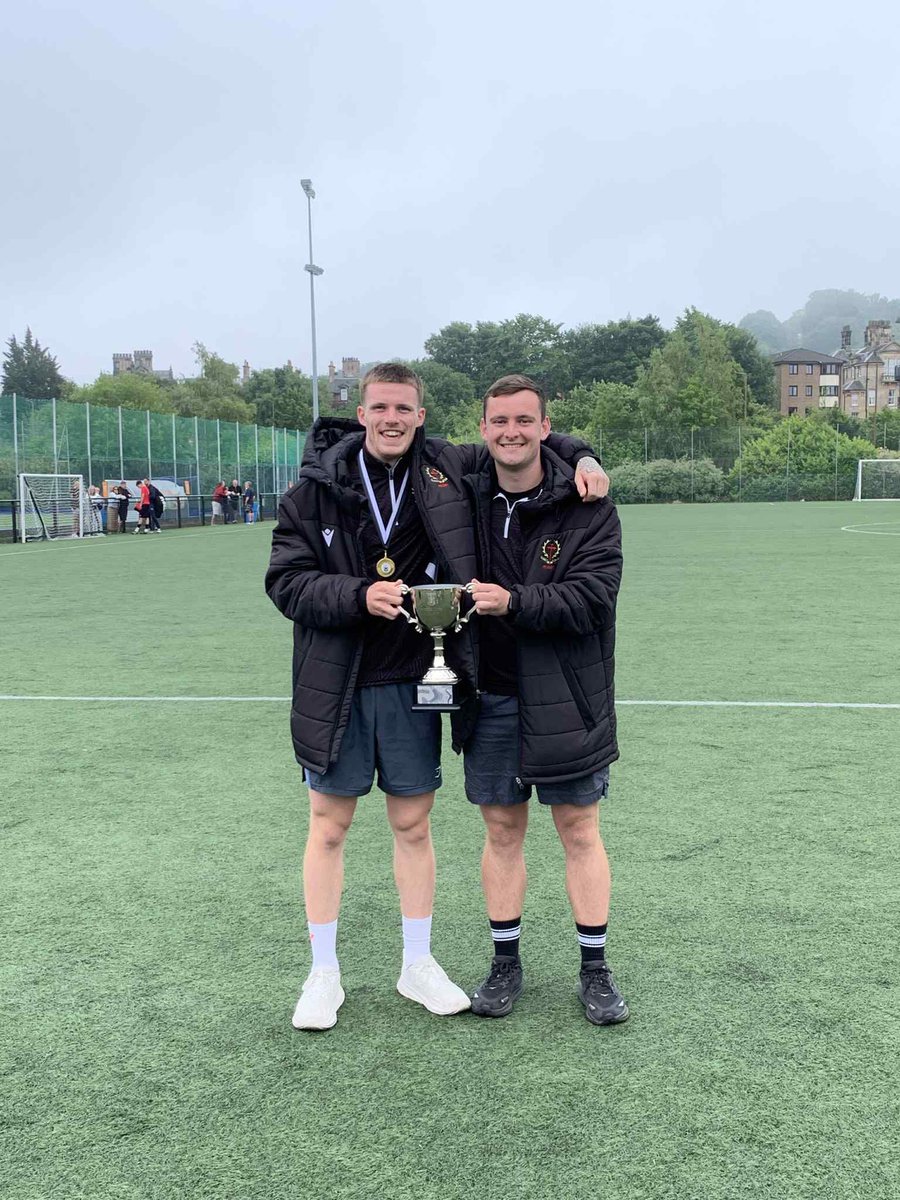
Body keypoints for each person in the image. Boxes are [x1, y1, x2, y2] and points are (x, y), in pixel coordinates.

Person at [265, 362, 608, 1032]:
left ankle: (416, 963)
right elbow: (284, 583)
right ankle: (322, 973)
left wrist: (585, 453)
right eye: (380, 408)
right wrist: (356, 595)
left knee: (413, 826)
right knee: (328, 827)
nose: (392, 419)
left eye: (404, 409)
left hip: (415, 678)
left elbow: (526, 440)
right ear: (360, 413)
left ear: (421, 416)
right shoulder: (310, 493)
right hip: (334, 681)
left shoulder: (447, 468)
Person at [461, 375, 627, 1026]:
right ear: (483, 430)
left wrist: (515, 601)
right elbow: (385, 439)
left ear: (544, 426)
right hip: (492, 698)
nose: (511, 432)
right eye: (499, 420)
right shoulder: (465, 489)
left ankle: (596, 969)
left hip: (568, 697)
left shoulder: (587, 505)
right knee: (502, 833)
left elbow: (593, 598)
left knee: (579, 831)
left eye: (524, 421)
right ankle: (505, 964)